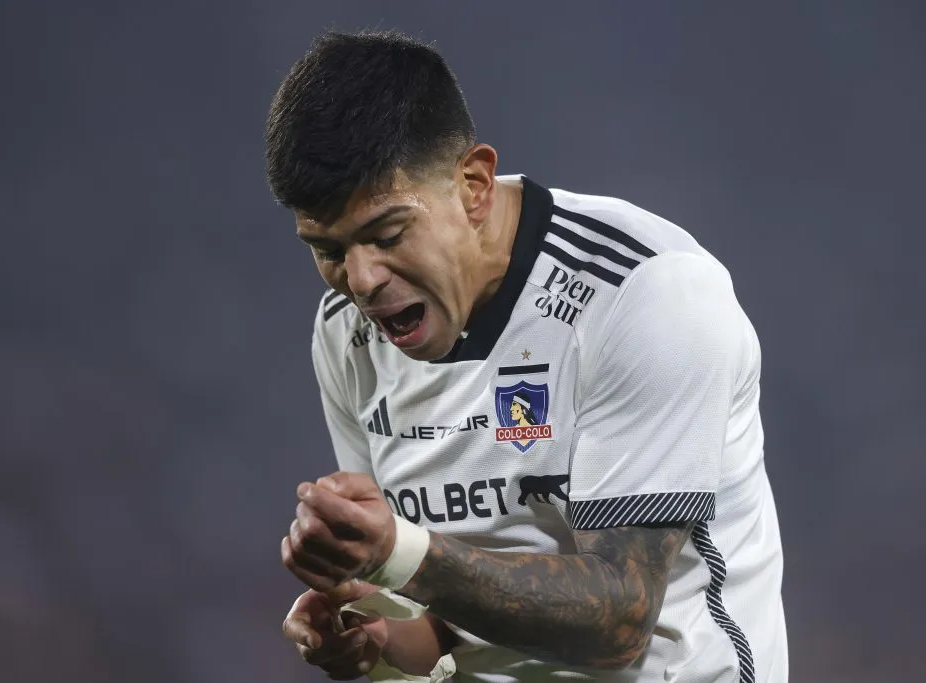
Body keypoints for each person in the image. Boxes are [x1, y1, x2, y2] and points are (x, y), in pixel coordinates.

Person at [265, 29, 787, 683]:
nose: (362, 279)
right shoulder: (347, 334)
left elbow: (620, 622)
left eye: (387, 233)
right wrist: (376, 637)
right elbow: (437, 616)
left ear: (475, 184)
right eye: (329, 249)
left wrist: (398, 551)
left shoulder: (644, 292)